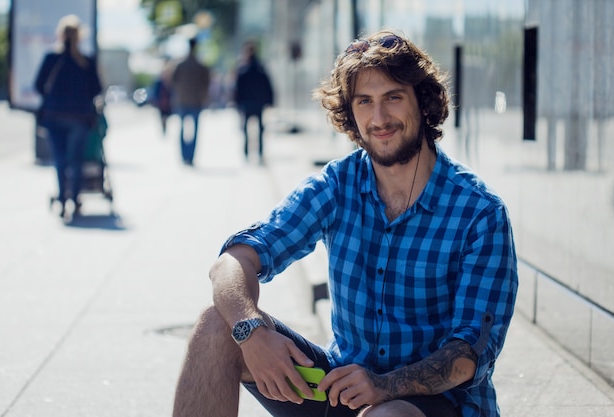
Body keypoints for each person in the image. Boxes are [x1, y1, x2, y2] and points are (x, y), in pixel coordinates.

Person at [172, 30, 518, 417]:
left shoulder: (479, 212)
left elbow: (467, 356)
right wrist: (250, 331)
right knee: (216, 326)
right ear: (349, 113)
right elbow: (232, 263)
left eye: (393, 98)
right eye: (364, 102)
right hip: (340, 389)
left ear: (422, 102)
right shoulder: (338, 184)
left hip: (435, 402)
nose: (379, 118)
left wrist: (384, 386)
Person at [34, 14, 102, 218]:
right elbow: (96, 89)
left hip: (54, 115)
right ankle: (75, 199)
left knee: (60, 159)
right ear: (79, 36)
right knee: (76, 159)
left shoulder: (51, 59)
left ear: (60, 35)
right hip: (80, 117)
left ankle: (63, 199)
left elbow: (39, 85)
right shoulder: (86, 62)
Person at [171, 37, 211, 165]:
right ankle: (191, 156)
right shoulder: (200, 66)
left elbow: (173, 82)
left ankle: (184, 155)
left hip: (182, 101)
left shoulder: (181, 65)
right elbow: (207, 84)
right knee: (194, 130)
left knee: (183, 129)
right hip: (196, 102)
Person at [233, 41, 274, 163]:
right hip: (258, 103)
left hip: (247, 103)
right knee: (259, 129)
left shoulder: (243, 69)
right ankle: (259, 153)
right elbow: (268, 86)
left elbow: (238, 89)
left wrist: (237, 103)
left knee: (247, 129)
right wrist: (269, 101)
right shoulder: (260, 68)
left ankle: (247, 153)